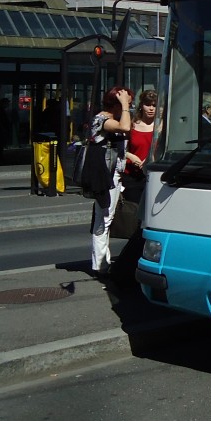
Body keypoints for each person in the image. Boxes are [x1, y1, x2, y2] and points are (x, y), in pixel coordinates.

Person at [112, 89, 156, 283]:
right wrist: (133, 157)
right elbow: (123, 149)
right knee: (134, 219)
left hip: (152, 177)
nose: (151, 109)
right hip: (133, 176)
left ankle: (135, 261)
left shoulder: (161, 125)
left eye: (154, 105)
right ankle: (128, 264)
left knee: (147, 222)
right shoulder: (133, 125)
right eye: (148, 104)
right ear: (141, 105)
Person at [88, 86, 132, 275]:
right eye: (126, 103)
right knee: (103, 219)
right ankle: (100, 265)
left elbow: (115, 148)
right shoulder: (102, 119)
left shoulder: (113, 119)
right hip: (105, 176)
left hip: (114, 174)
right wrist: (124, 106)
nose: (129, 107)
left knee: (108, 217)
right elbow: (125, 127)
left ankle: (103, 261)